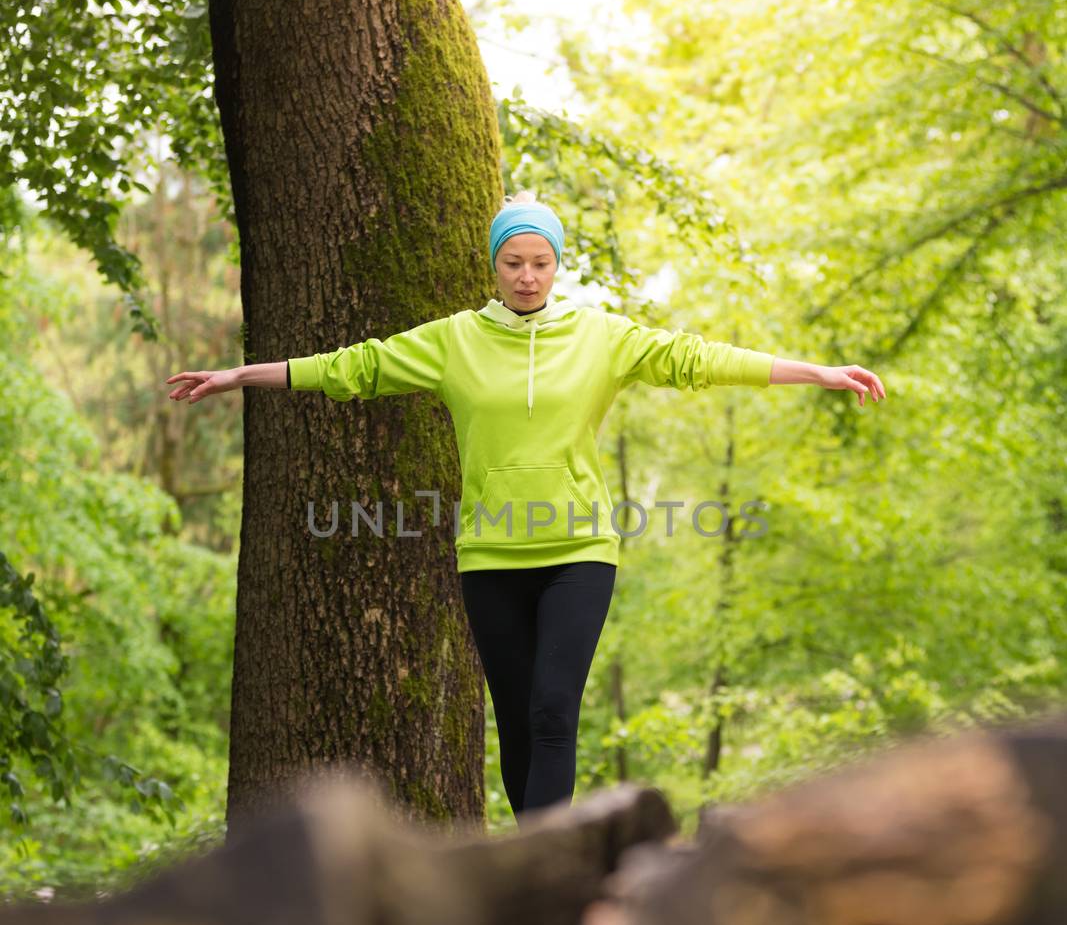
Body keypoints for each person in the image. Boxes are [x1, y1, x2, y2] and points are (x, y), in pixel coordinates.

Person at [166, 191, 886, 824]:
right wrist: (242, 375)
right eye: (513, 262)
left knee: (551, 711)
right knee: (514, 723)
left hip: (578, 552)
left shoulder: (602, 337)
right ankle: (532, 862)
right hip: (489, 556)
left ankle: (550, 865)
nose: (527, 275)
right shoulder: (454, 341)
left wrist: (816, 372)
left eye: (540, 261)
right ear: (494, 266)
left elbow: (696, 359)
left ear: (556, 264)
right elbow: (359, 366)